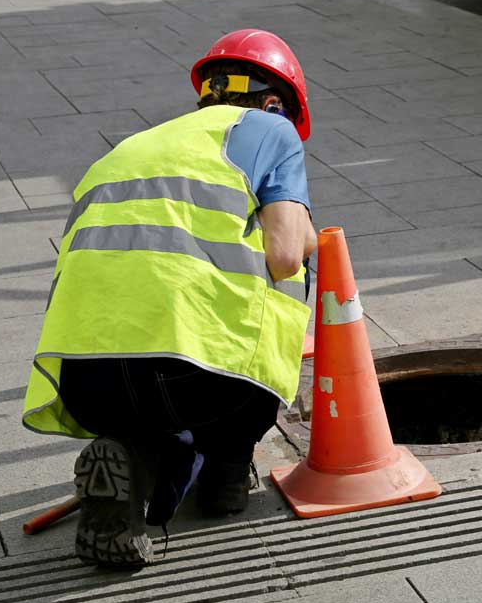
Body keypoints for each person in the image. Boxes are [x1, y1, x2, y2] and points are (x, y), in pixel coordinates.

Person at [21, 29, 316, 568]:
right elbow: (285, 255)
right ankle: (227, 471)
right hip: (193, 375)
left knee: (145, 415)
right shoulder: (271, 129)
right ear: (275, 103)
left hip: (85, 378)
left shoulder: (132, 146)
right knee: (297, 279)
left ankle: (128, 466)